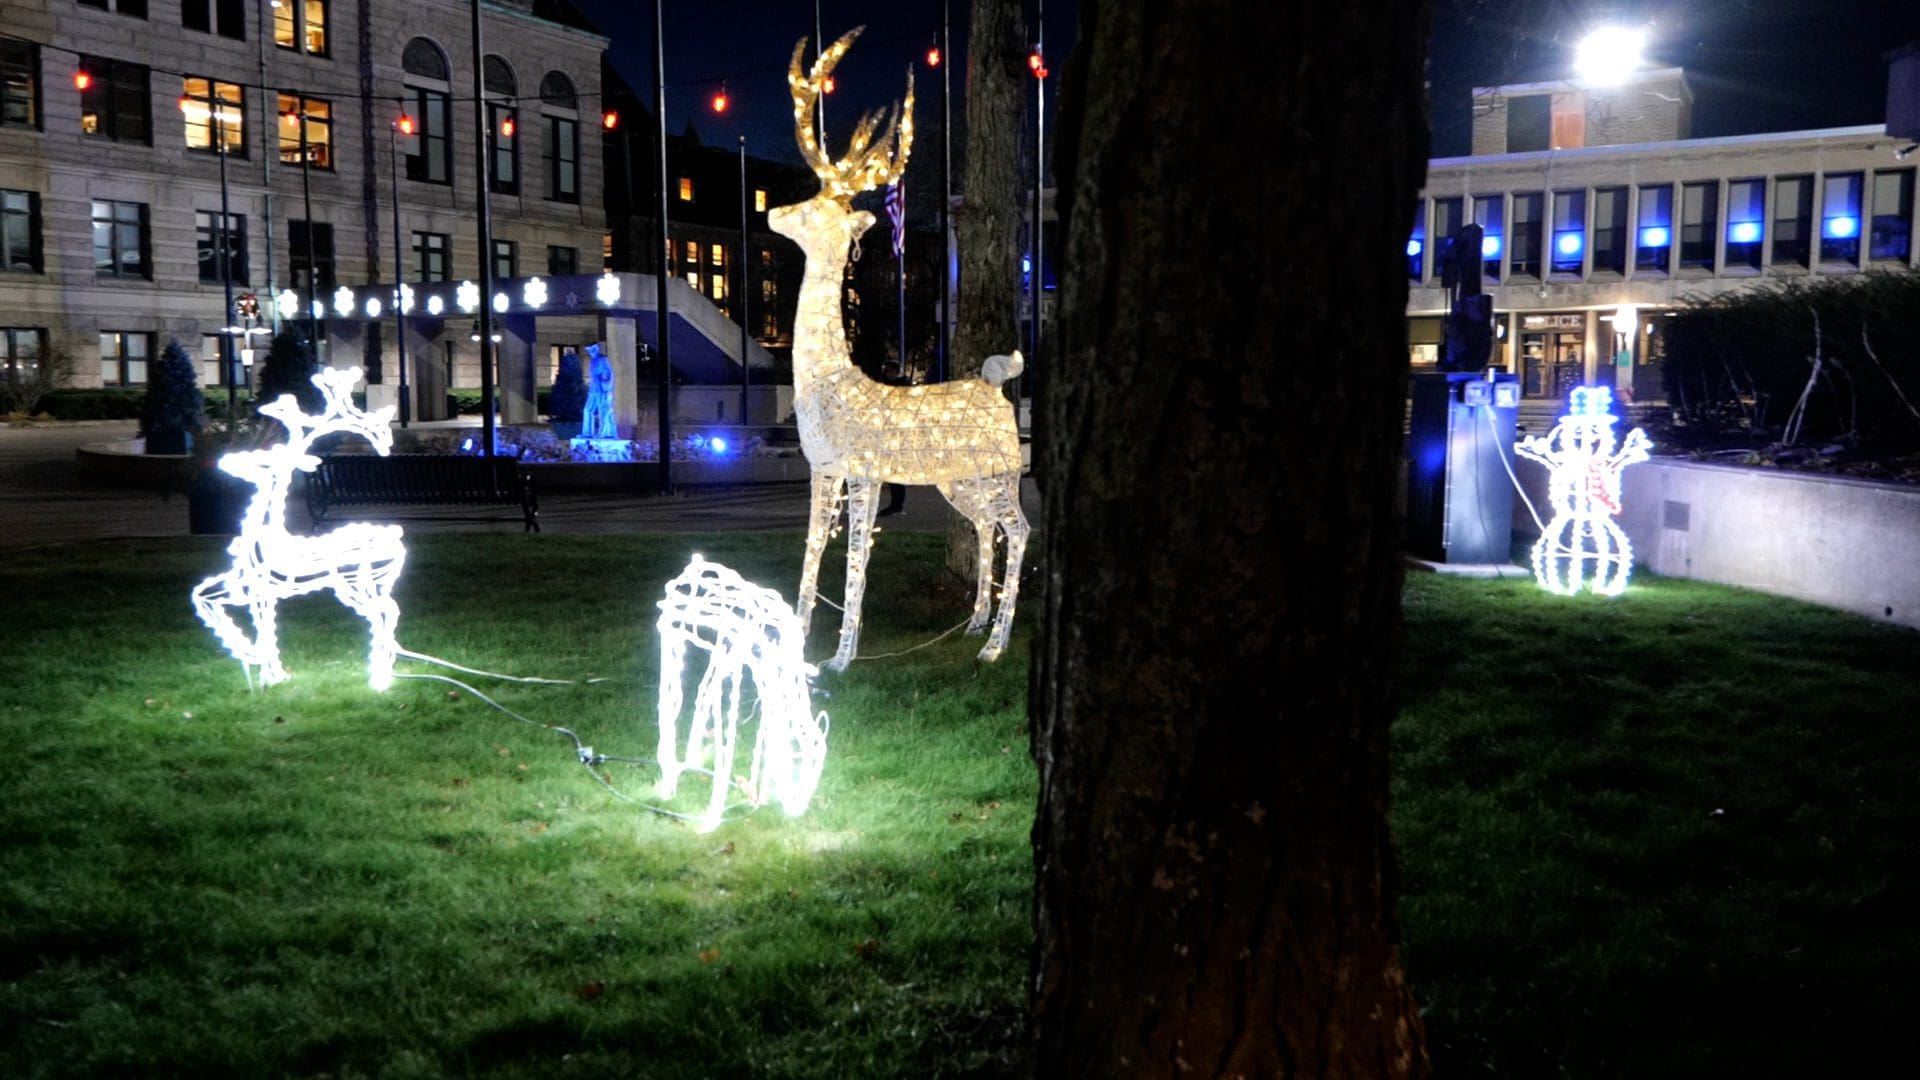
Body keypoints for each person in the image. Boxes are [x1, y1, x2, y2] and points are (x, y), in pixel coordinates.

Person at [876, 360, 912, 517]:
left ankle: (897, 505)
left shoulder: (899, 387)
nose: (886, 373)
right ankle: (896, 504)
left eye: (888, 371)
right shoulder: (888, 386)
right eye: (885, 370)